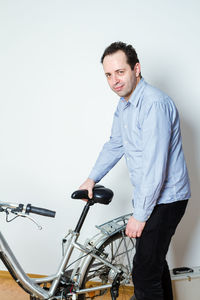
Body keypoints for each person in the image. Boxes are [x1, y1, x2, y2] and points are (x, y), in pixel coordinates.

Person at [79, 42, 191, 300]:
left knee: (143, 274)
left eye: (120, 72)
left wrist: (140, 215)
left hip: (167, 199)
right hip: (152, 196)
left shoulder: (154, 104)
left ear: (136, 69)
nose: (114, 81)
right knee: (153, 262)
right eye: (108, 75)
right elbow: (115, 144)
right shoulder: (125, 105)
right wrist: (91, 179)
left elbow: (155, 168)